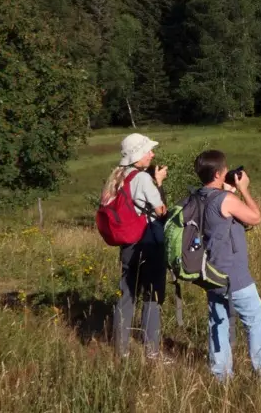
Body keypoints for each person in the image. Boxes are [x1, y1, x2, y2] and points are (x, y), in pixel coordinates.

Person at [193, 149, 261, 383]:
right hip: (234, 274)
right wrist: (243, 189)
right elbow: (255, 218)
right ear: (219, 173)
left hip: (209, 272)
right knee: (255, 322)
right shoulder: (226, 200)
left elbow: (217, 221)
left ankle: (221, 376)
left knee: (218, 322)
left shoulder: (198, 196)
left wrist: (227, 191)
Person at [101, 132, 169, 360]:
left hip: (128, 244)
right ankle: (152, 350)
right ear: (138, 154)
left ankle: (121, 350)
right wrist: (158, 184)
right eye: (148, 151)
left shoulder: (117, 177)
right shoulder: (141, 178)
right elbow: (161, 211)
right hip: (146, 241)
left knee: (127, 293)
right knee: (151, 293)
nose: (152, 154)